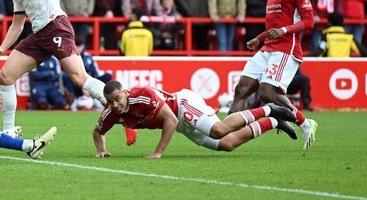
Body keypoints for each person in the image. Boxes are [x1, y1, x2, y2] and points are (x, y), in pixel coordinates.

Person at [0, 0, 108, 146]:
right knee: (5, 77)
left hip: (56, 25)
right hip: (39, 34)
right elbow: (17, 25)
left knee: (80, 78)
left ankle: (125, 112)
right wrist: (2, 48)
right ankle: (8, 132)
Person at [230, 0, 318, 150]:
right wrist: (259, 39)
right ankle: (229, 133)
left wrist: (285, 30)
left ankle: (305, 123)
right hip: (268, 48)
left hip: (286, 49)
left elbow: (309, 21)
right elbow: (273, 28)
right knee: (241, 89)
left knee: (267, 91)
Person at [93, 81, 298, 159]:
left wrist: (158, 152)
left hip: (182, 105)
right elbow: (98, 131)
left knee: (218, 130)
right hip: (180, 123)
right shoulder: (111, 112)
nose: (115, 105)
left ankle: (268, 109)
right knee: (228, 144)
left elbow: (170, 120)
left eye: (118, 99)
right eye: (110, 102)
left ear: (126, 93)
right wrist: (102, 150)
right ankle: (273, 123)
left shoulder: (143, 95)